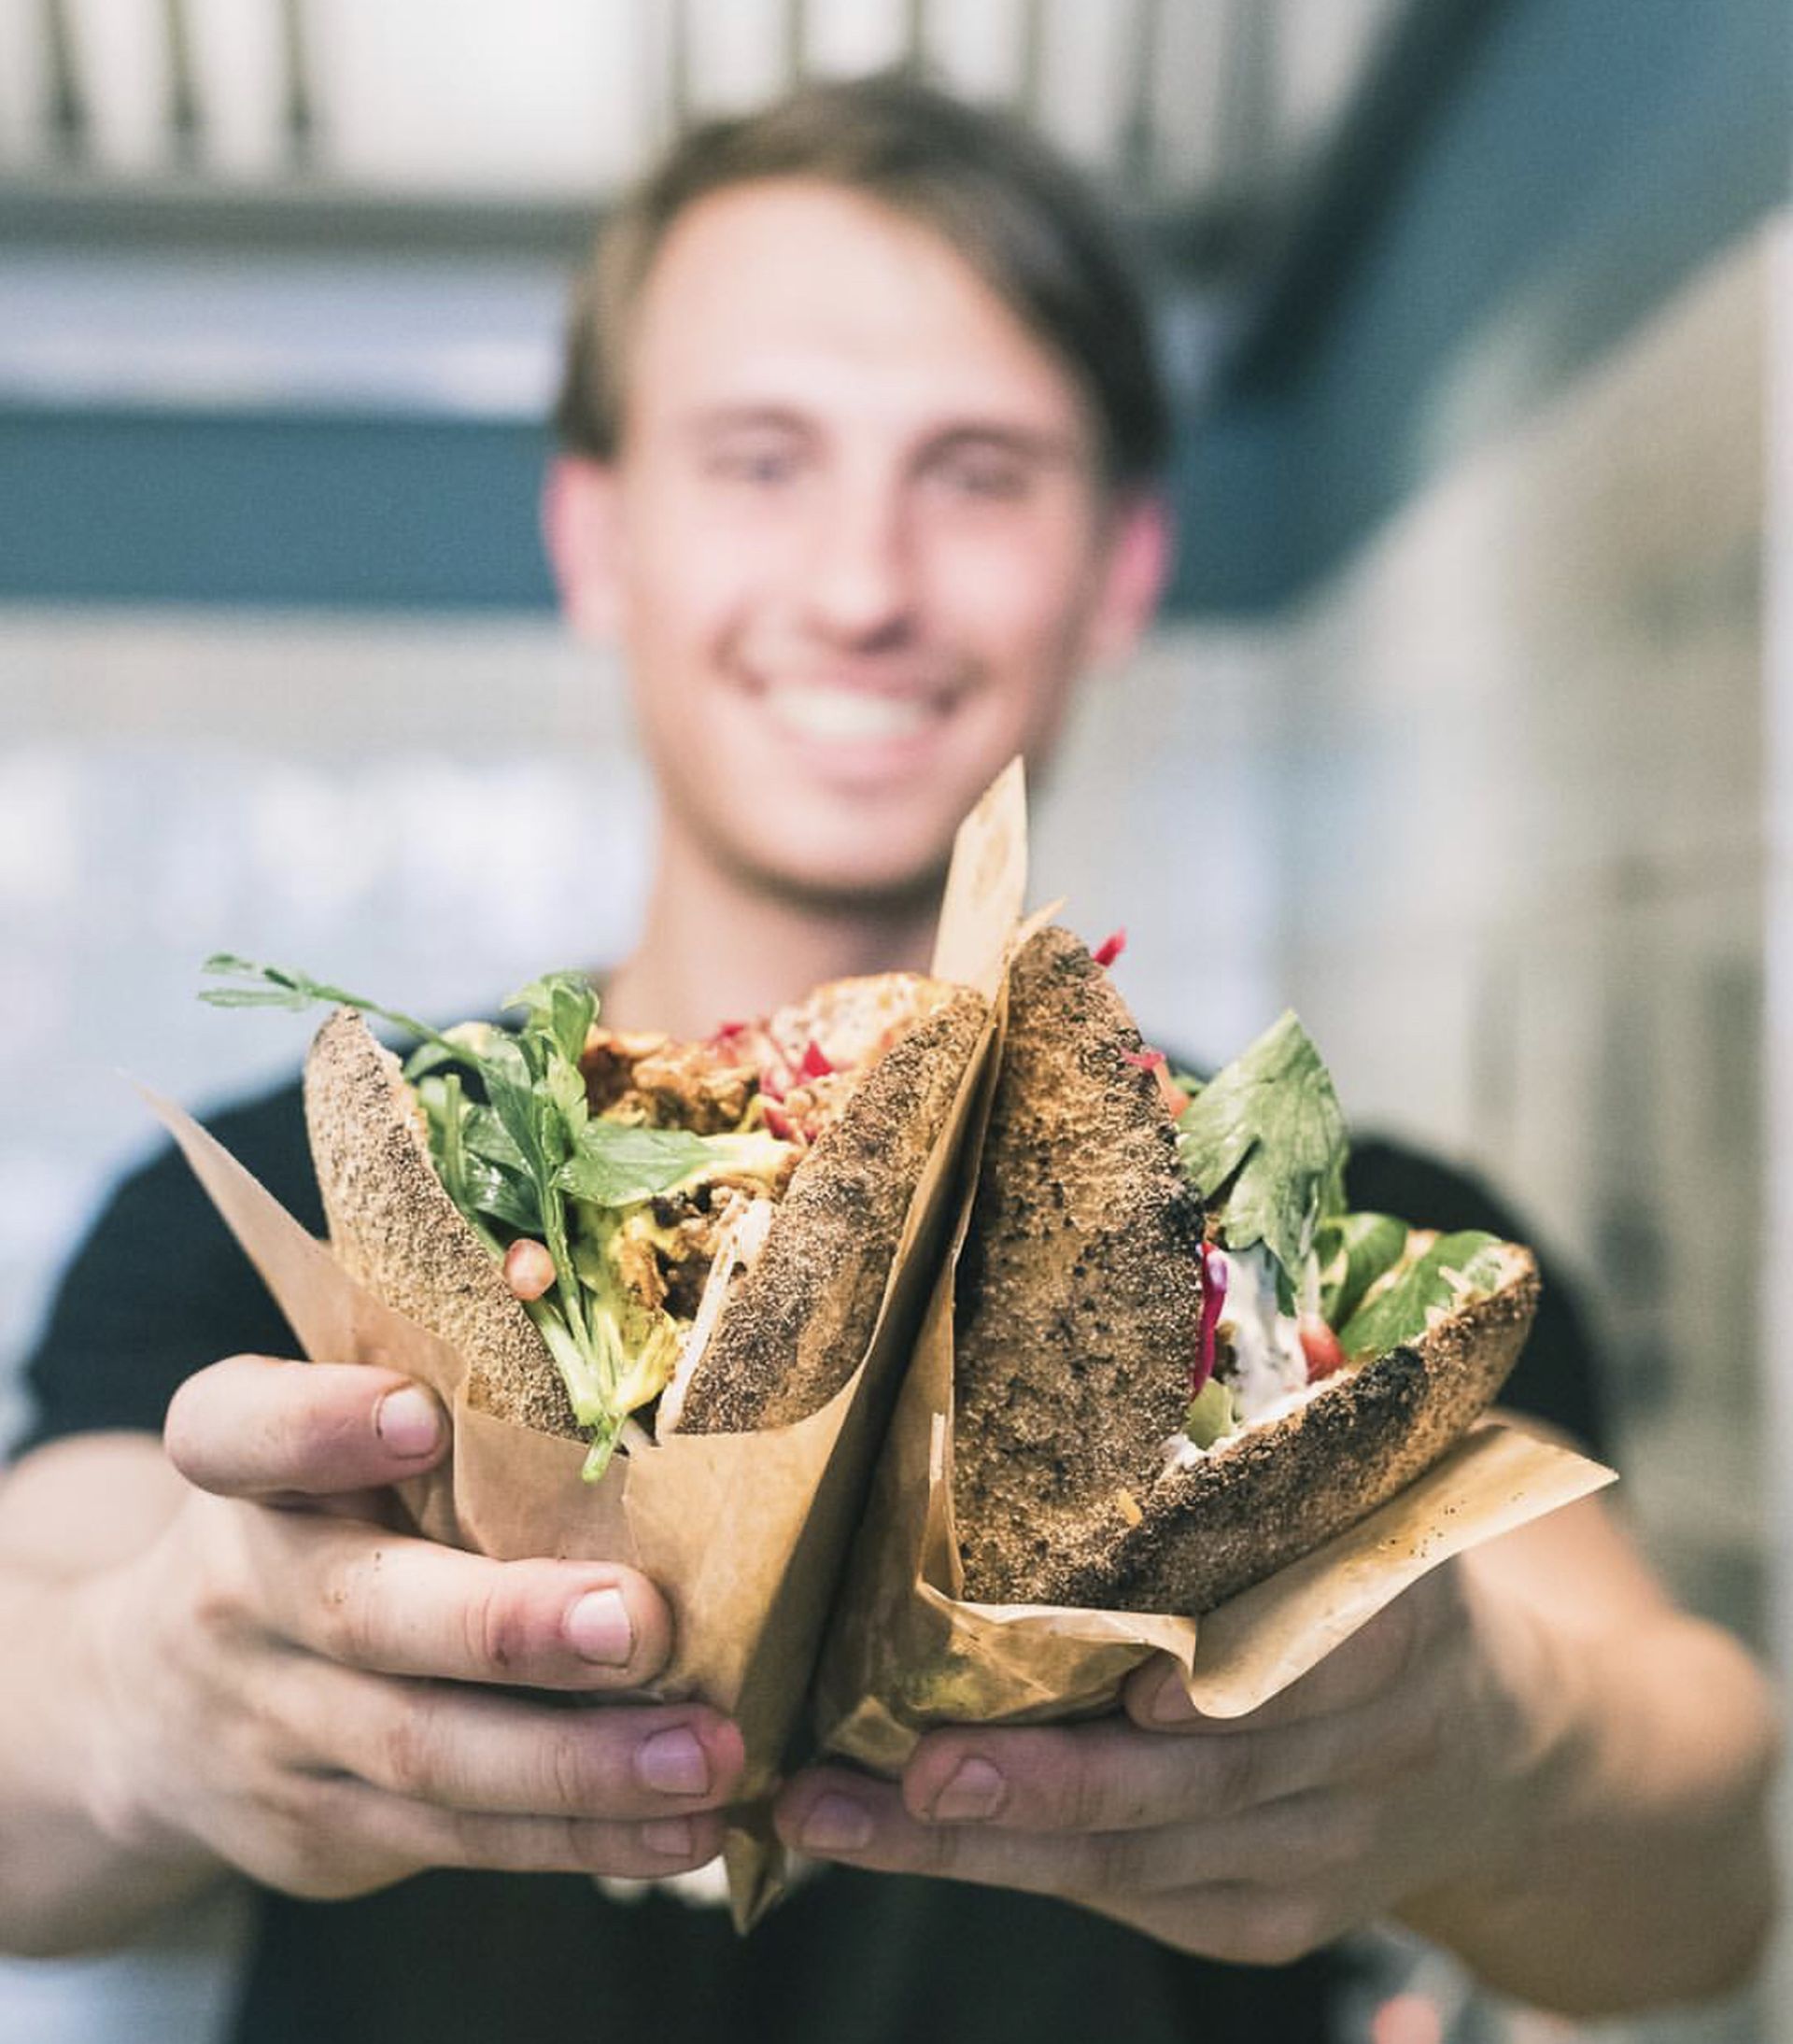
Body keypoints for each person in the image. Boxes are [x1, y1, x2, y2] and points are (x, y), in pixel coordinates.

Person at [0, 74, 1776, 2044]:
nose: (862, 585)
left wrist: (1487, 1756)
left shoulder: (1318, 1261)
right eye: (760, 460)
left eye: (983, 470)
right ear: (595, 537)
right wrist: (140, 1704)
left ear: (1121, 562)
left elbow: (1703, 1878)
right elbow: (31, 1716)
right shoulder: (318, 1219)